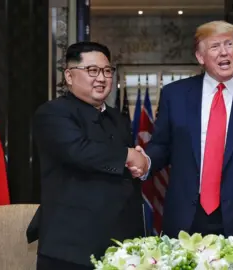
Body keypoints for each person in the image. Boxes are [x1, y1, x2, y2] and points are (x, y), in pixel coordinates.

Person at [130, 21, 233, 242]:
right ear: (200, 57)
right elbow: (162, 146)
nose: (224, 52)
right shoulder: (175, 95)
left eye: (229, 44)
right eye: (215, 46)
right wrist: (146, 162)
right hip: (186, 216)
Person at [29, 41, 148, 270]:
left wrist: (139, 164)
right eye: (92, 71)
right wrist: (128, 155)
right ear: (70, 76)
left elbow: (125, 167)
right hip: (71, 248)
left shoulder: (118, 119)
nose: (101, 78)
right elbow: (79, 151)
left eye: (106, 71)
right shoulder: (53, 112)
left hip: (120, 246)